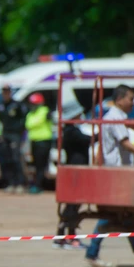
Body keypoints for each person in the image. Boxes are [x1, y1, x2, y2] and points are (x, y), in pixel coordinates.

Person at [84, 85, 134, 267]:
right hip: (117, 171)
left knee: (125, 217)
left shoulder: (115, 117)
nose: (132, 103)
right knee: (112, 214)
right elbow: (125, 144)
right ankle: (92, 253)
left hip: (117, 169)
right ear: (119, 100)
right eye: (130, 99)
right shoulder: (115, 118)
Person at [53, 104, 91, 250]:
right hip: (74, 172)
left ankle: (67, 236)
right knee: (71, 205)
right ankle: (64, 237)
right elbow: (87, 140)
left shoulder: (71, 130)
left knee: (73, 205)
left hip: (77, 171)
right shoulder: (71, 131)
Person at [0, 84, 28, 193]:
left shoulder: (16, 105)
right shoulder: (1, 105)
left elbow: (23, 119)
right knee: (7, 159)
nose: (5, 94)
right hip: (5, 134)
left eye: (7, 92)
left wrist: (20, 133)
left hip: (15, 135)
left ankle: (20, 183)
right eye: (4, 92)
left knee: (16, 159)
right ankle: (10, 183)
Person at [25, 92, 52, 194]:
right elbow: (28, 125)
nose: (33, 105)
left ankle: (38, 185)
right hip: (34, 141)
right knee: (35, 165)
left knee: (41, 165)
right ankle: (37, 184)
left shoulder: (45, 112)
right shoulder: (30, 114)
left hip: (44, 141)